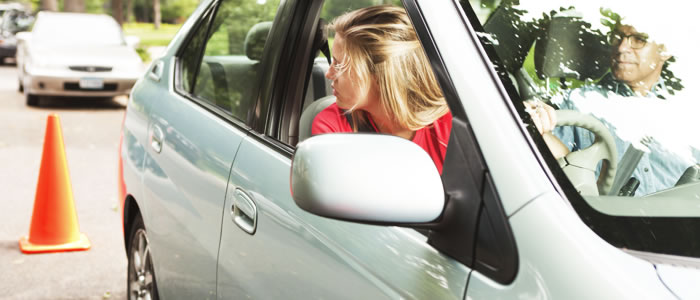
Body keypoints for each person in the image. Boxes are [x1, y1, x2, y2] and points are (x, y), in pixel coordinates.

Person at [528, 22, 697, 196]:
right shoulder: (578, 102)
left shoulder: (686, 109)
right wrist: (533, 122)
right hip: (606, 220)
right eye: (617, 37)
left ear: (665, 51)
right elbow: (551, 158)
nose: (622, 48)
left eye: (638, 40)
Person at [311, 5, 452, 174]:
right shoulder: (332, 126)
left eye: (339, 64)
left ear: (381, 76)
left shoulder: (451, 126)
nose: (329, 73)